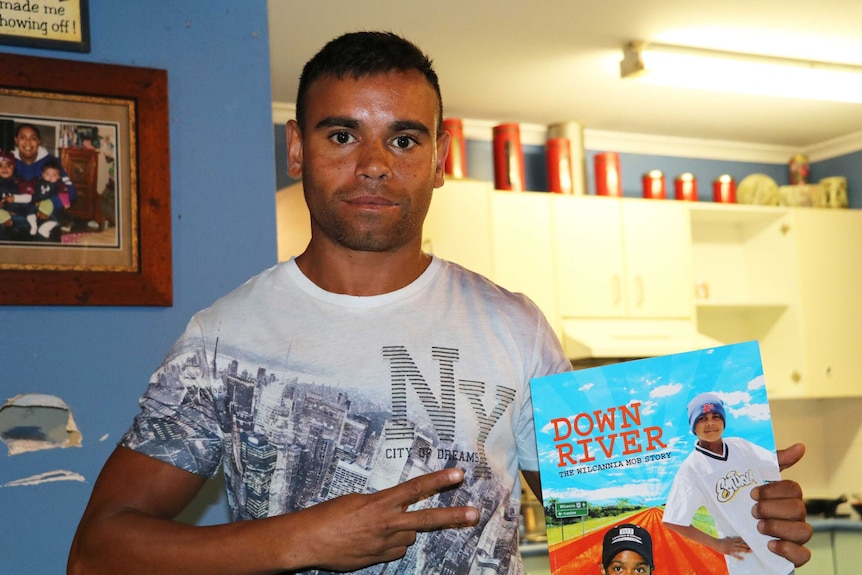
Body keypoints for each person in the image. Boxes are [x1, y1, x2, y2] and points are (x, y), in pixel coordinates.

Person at [67, 31, 813, 575]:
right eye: (341, 134)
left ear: (439, 157)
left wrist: (742, 502)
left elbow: (613, 523)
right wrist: (304, 538)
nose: (372, 166)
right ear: (297, 151)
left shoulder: (512, 325)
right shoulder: (225, 338)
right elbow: (99, 550)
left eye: (403, 139)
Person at [663, 392, 794, 574]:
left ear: (723, 421)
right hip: (747, 562)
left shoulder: (740, 446)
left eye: (716, 416)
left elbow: (774, 466)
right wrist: (718, 544)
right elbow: (673, 520)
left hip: (776, 551)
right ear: (693, 427)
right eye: (702, 418)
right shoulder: (691, 469)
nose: (710, 423)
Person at [13, 123, 77, 225]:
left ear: (39, 141)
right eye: (22, 137)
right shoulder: (7, 162)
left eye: (33, 138)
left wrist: (50, 204)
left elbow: (71, 192)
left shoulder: (52, 162)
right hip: (14, 215)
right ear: (16, 140)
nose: (28, 142)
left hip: (45, 215)